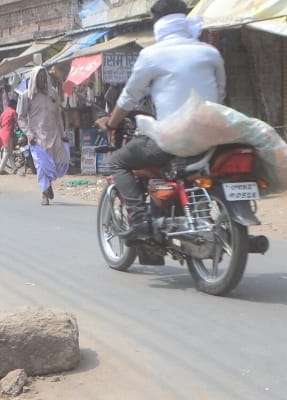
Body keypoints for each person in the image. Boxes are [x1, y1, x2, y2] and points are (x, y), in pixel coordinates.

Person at [95, 0, 226, 242]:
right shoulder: (210, 52)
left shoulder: (152, 55)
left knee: (117, 162)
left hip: (172, 139)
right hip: (210, 138)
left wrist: (111, 123)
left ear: (157, 24)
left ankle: (140, 221)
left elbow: (128, 97)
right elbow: (220, 93)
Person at [17, 66, 70, 205]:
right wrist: (29, 134)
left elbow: (58, 116)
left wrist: (63, 133)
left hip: (54, 134)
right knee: (42, 165)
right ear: (34, 78)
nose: (42, 79)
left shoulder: (53, 93)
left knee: (58, 163)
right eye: (39, 77)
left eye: (43, 76)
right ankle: (44, 193)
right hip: (37, 137)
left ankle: (48, 183)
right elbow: (21, 118)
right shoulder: (26, 95)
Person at [0, 98, 18, 175]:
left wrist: (3, 129)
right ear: (14, 105)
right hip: (8, 134)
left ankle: (14, 168)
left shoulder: (4, 112)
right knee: (6, 152)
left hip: (1, 133)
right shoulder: (13, 112)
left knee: (9, 152)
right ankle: (1, 169)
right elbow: (18, 122)